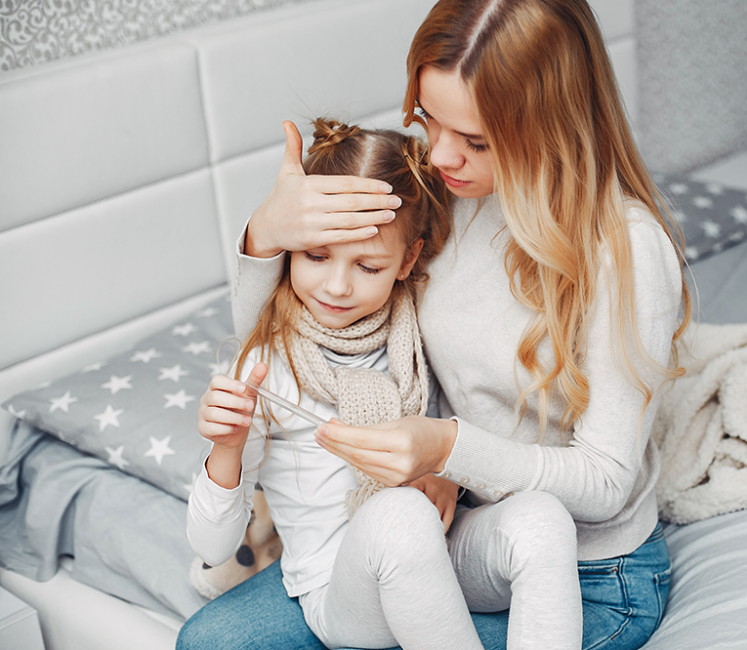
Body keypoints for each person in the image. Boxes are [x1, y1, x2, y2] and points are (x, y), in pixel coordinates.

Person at [177, 0, 691, 649]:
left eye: (475, 139)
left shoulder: (625, 250)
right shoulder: (443, 192)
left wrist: (449, 450)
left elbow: (606, 485)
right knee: (214, 643)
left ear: (552, 126)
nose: (441, 157)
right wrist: (268, 234)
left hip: (591, 569)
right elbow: (288, 342)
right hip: (449, 531)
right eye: (428, 119)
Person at [186, 118, 583, 650]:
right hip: (341, 591)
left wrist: (450, 475)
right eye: (317, 256)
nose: (337, 285)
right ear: (291, 248)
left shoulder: (416, 332)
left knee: (542, 516)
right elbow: (211, 544)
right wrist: (227, 449)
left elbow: (449, 434)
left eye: (368, 265)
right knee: (398, 513)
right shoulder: (267, 364)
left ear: (408, 260)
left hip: (440, 556)